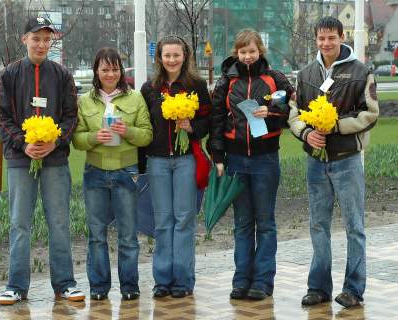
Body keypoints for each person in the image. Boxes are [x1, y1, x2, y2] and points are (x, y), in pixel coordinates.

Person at [0, 16, 85, 305]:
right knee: (20, 223)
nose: (42, 44)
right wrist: (23, 143)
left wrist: (56, 140)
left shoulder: (62, 75)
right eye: (36, 38)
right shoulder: (8, 75)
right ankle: (16, 286)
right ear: (25, 39)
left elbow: (71, 116)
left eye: (47, 39)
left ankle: (65, 284)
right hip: (21, 161)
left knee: (58, 221)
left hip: (55, 161)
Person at [288, 17, 379, 308]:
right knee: (318, 225)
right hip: (316, 162)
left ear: (341, 37)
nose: (326, 43)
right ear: (315, 39)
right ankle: (318, 288)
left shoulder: (361, 72)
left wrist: (337, 126)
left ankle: (353, 289)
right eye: (321, 38)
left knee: (355, 226)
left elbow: (371, 114)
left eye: (331, 37)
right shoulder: (305, 73)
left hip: (347, 159)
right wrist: (306, 133)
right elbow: (293, 113)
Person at [209, 29, 294, 301]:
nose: (248, 56)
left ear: (260, 51)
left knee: (266, 222)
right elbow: (217, 122)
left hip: (265, 159)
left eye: (252, 51)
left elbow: (292, 112)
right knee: (243, 223)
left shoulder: (275, 79)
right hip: (235, 160)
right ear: (237, 53)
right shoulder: (226, 82)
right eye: (243, 52)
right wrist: (218, 157)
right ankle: (241, 280)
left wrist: (271, 113)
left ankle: (262, 281)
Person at [72, 47, 153, 301]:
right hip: (94, 172)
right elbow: (76, 139)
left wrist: (126, 130)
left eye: (115, 68)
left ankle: (129, 287)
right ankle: (98, 288)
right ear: (97, 70)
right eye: (105, 69)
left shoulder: (135, 98)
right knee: (96, 235)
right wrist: (95, 137)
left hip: (126, 172)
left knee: (128, 236)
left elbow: (147, 135)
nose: (110, 74)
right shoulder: (85, 101)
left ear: (121, 70)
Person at [140, 35, 211, 298]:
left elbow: (208, 121)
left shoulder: (197, 86)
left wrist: (192, 128)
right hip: (157, 161)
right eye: (167, 55)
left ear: (185, 56)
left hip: (185, 160)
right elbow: (145, 126)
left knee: (184, 219)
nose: (172, 60)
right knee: (162, 221)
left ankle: (182, 280)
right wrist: (140, 166)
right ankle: (162, 280)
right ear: (159, 57)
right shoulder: (149, 88)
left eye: (176, 55)